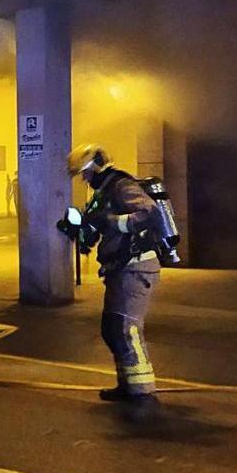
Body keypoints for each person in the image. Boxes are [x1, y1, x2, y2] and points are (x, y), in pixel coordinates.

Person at [67, 144, 161, 418]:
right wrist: (79, 230)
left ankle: (144, 392)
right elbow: (95, 228)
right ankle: (127, 384)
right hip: (119, 269)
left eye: (84, 173)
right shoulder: (103, 192)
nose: (84, 179)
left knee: (127, 329)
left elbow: (149, 212)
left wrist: (114, 222)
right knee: (112, 327)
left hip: (136, 267)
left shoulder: (120, 185)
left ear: (96, 165)